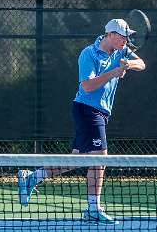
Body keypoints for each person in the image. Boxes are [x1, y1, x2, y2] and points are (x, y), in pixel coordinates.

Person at [17, 18, 146, 224]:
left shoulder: (122, 51)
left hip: (101, 112)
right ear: (111, 35)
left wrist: (128, 64)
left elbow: (142, 63)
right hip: (87, 110)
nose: (127, 40)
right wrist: (113, 72)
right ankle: (93, 209)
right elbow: (87, 86)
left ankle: (33, 177)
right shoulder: (88, 54)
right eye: (123, 36)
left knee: (78, 159)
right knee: (100, 158)